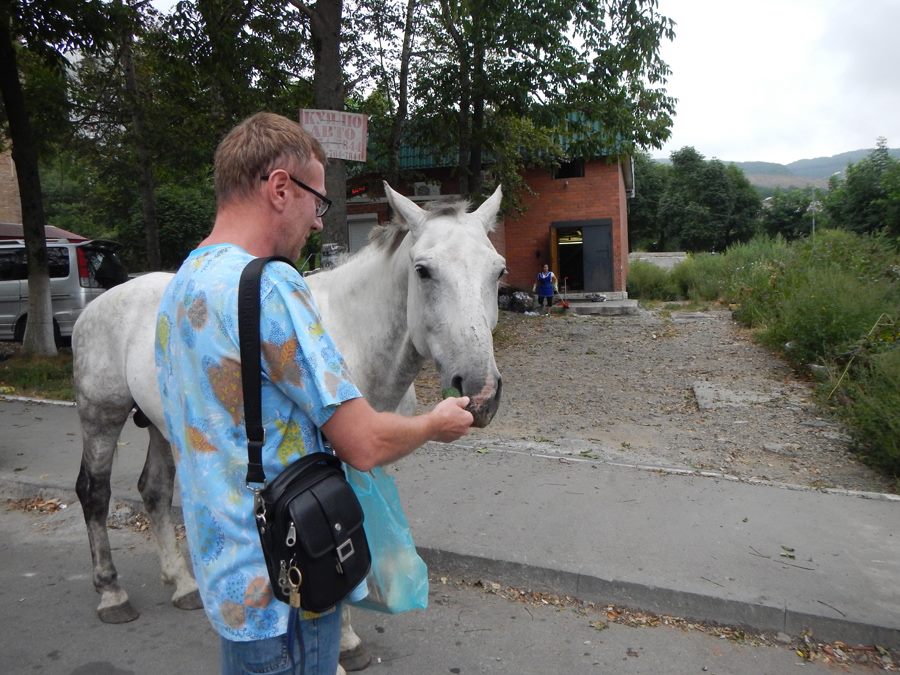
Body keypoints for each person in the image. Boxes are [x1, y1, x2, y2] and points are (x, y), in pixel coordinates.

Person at [154, 112, 474, 675]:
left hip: (227, 581)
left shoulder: (182, 284)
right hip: (291, 584)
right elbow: (364, 443)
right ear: (280, 188)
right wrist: (433, 423)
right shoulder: (271, 286)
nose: (318, 221)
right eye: (318, 202)